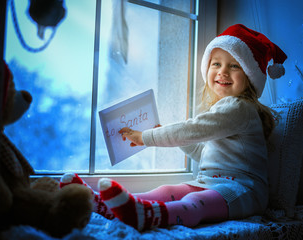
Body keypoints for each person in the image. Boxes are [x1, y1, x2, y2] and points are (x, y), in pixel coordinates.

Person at [60, 24, 287, 231]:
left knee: (195, 202)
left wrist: (147, 136)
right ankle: (111, 203)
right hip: (210, 182)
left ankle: (149, 215)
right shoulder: (226, 109)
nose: (222, 72)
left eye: (234, 66)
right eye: (216, 63)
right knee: (167, 191)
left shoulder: (240, 108)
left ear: (250, 77)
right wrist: (178, 141)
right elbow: (203, 151)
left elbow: (193, 130)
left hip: (243, 190)